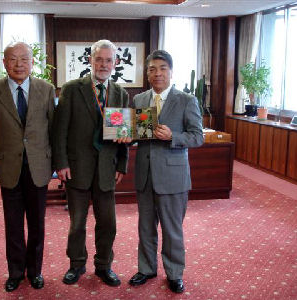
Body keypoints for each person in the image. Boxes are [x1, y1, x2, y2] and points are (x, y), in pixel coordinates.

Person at [52, 39, 129, 287]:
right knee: (77, 224)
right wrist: (61, 163)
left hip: (107, 168)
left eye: (108, 60)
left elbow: (123, 135)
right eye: (99, 59)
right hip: (77, 168)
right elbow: (59, 130)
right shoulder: (72, 89)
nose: (103, 64)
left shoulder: (121, 93)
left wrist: (121, 165)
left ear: (115, 63)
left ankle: (104, 266)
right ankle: (76, 264)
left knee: (108, 223)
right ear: (90, 60)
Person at [0, 42, 55, 292]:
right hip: (8, 166)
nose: (19, 64)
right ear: (4, 63)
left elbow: (53, 130)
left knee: (37, 223)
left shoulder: (46, 89)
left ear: (33, 63)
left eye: (24, 59)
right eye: (13, 59)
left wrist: (56, 164)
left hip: (39, 166)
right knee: (12, 223)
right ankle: (15, 272)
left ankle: (35, 271)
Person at [128, 50, 203, 293]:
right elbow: (137, 134)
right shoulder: (139, 100)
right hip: (145, 175)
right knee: (145, 227)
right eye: (152, 69)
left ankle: (174, 273)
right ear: (147, 73)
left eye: (162, 68)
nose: (157, 73)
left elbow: (197, 137)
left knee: (172, 230)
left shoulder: (186, 100)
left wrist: (174, 136)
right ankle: (147, 268)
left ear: (170, 71)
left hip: (172, 176)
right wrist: (126, 137)